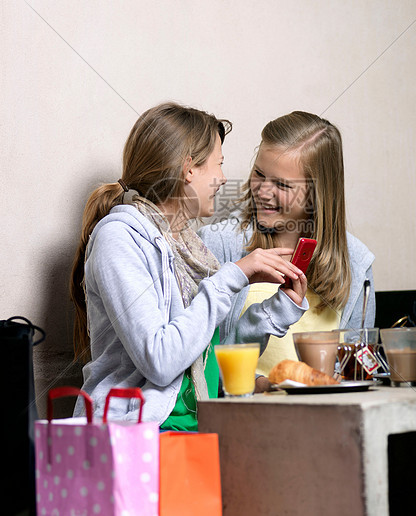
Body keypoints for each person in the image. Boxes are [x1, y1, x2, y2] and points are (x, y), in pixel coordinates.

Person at [70, 102, 307, 429]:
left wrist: (277, 310)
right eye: (218, 164)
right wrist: (232, 277)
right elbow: (161, 360)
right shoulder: (118, 240)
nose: (224, 178)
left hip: (196, 428)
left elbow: (214, 359)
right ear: (189, 169)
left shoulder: (186, 247)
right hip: (140, 436)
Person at [198, 110, 376, 390]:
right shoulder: (219, 244)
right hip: (242, 420)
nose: (263, 191)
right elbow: (196, 367)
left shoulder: (356, 263)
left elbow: (355, 371)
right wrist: (254, 383)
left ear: (317, 194)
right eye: (259, 174)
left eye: (282, 184)